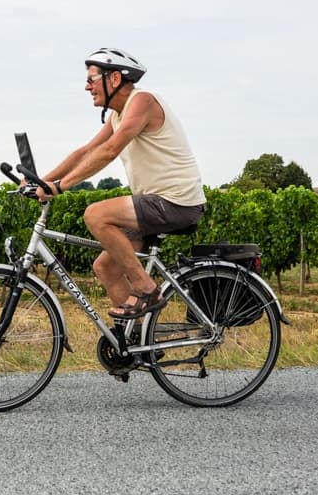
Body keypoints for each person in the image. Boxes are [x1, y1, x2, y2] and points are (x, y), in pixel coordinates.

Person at [35, 48, 206, 319]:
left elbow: (109, 151)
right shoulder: (119, 114)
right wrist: (41, 180)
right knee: (106, 268)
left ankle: (146, 289)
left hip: (176, 202)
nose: (86, 86)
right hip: (155, 203)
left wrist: (61, 186)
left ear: (114, 78)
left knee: (96, 214)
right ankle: (137, 344)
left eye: (92, 79)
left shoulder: (142, 101)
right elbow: (86, 151)